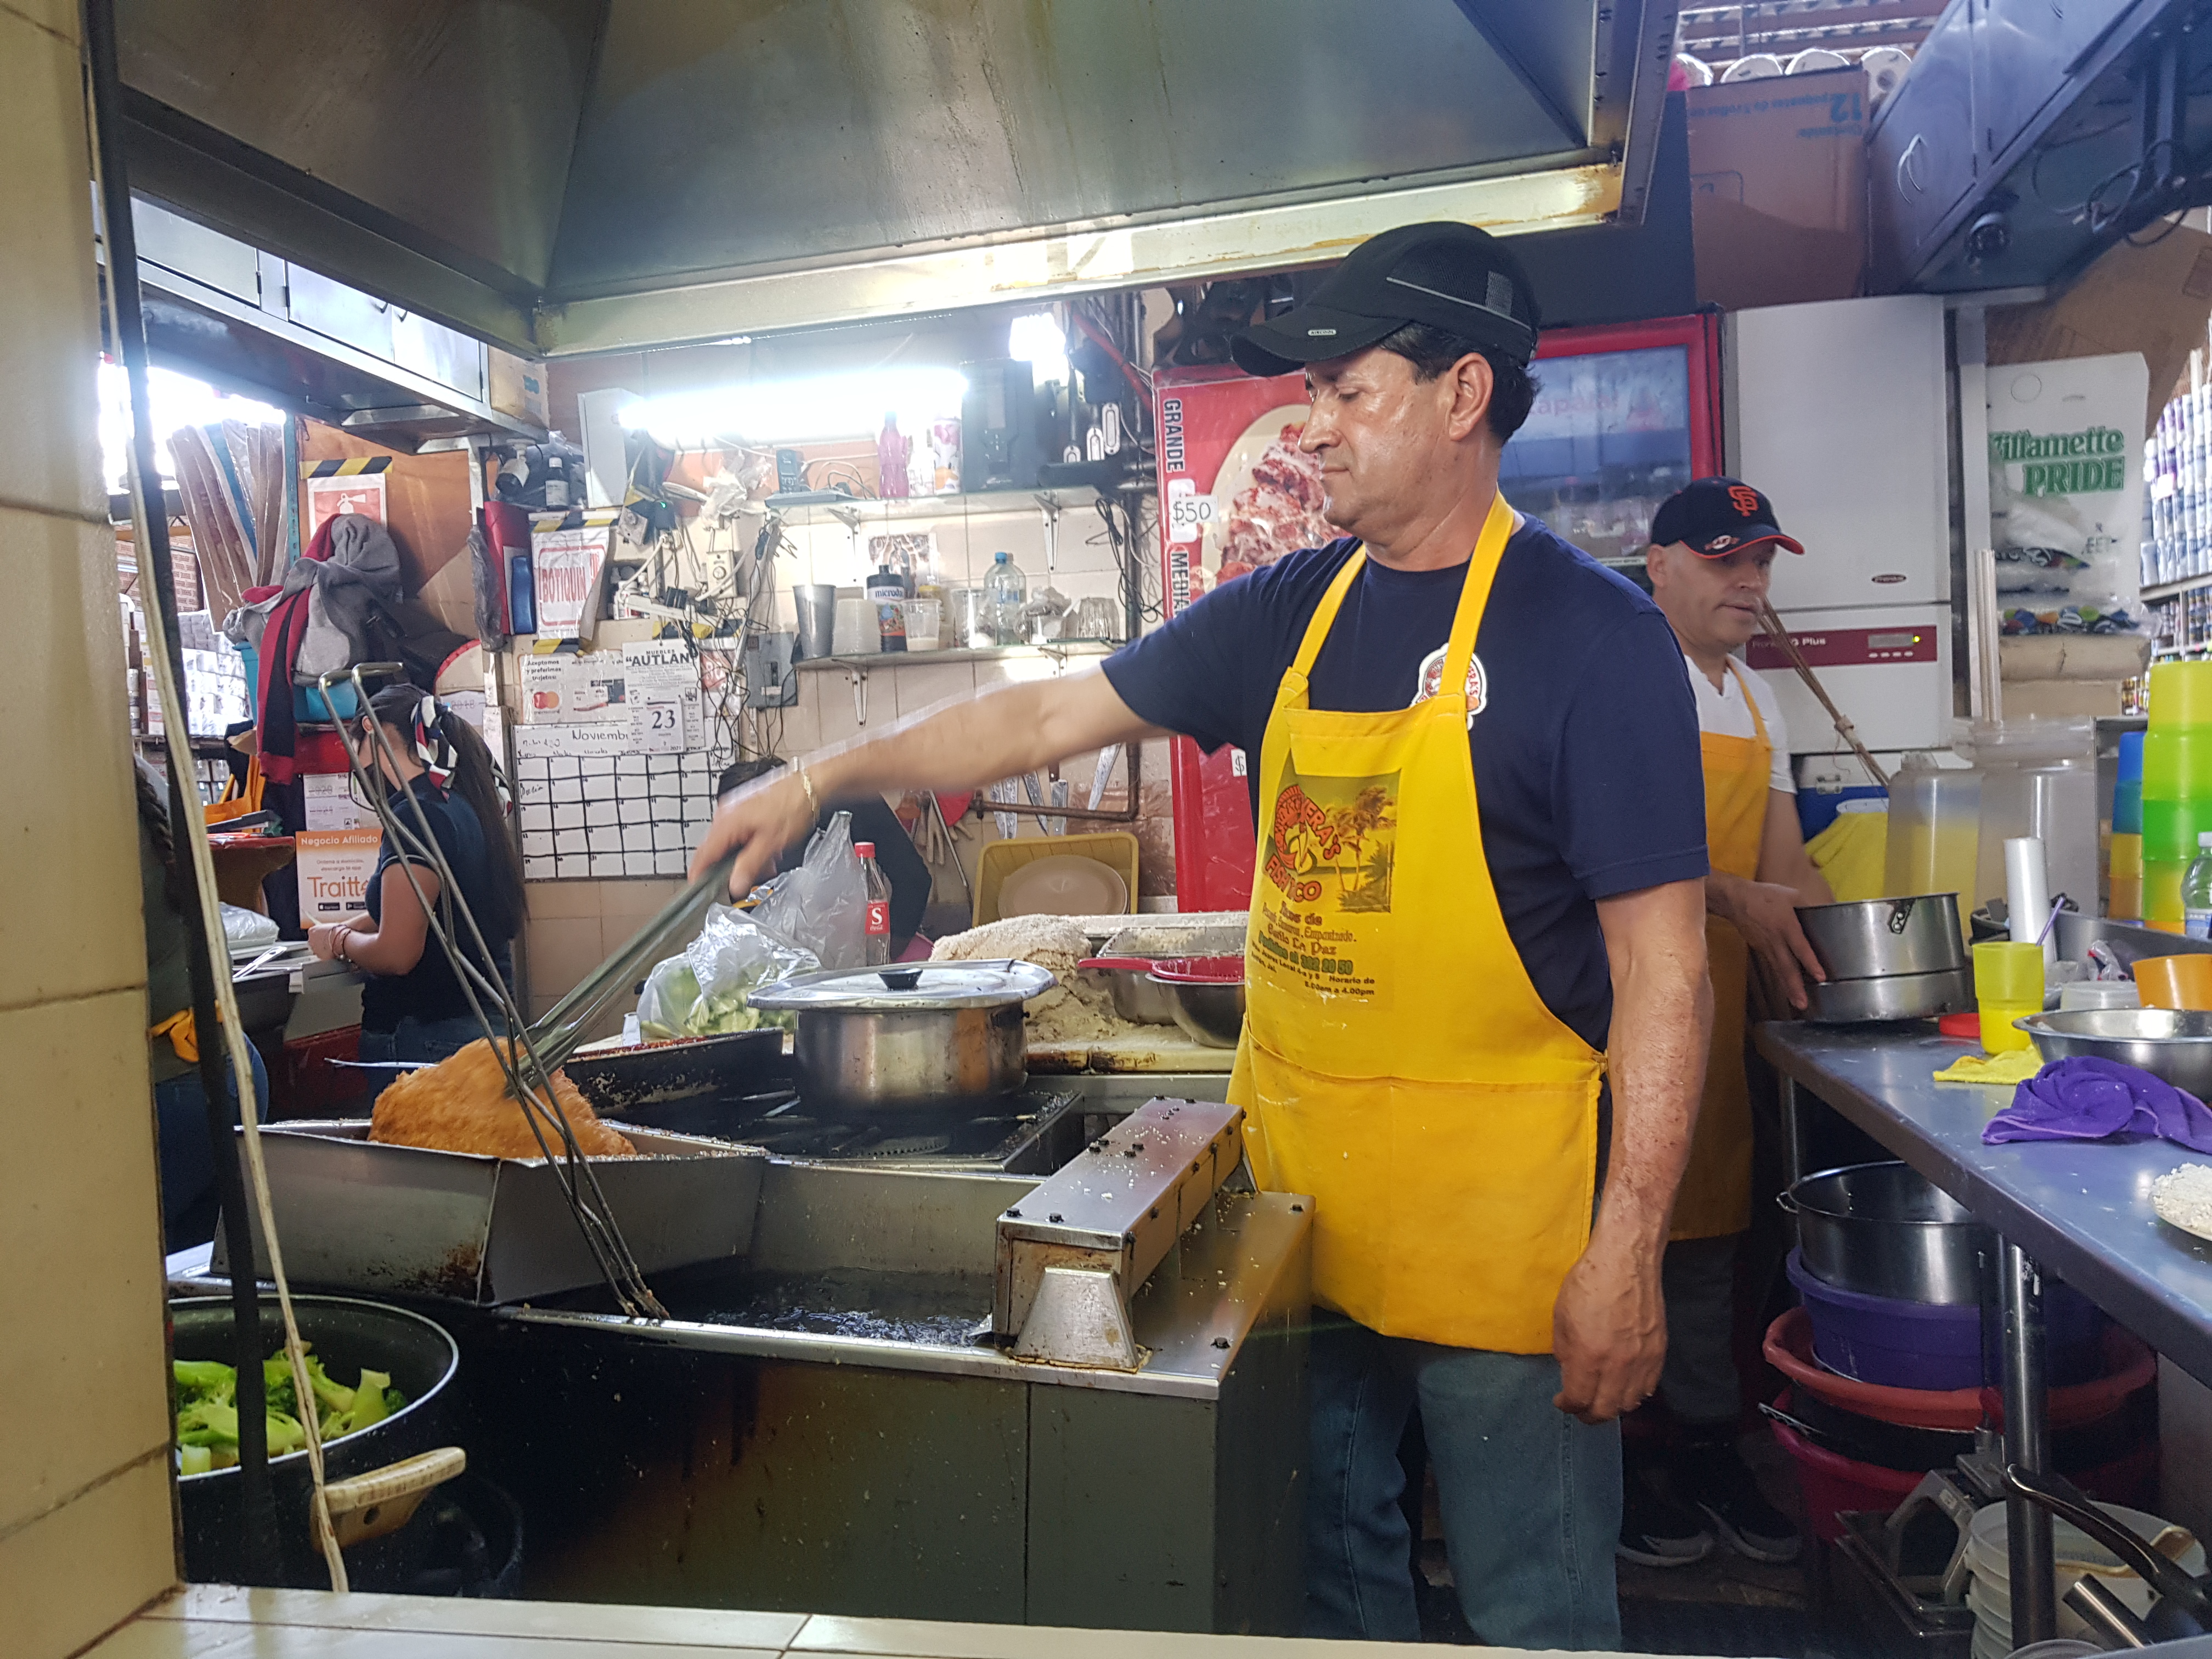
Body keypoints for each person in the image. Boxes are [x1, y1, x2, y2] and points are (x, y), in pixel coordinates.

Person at [693, 222, 1714, 1647]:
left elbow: (1668, 970)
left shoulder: (1594, 640)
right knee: (1328, 1586)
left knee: (1534, 1606)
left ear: (1464, 395)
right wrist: (819, 774)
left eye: (1349, 390)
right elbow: (1049, 713)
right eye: (1313, 393)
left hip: (1512, 1240)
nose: (1313, 424)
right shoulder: (1287, 614)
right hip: (1296, 1220)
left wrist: (1631, 1246)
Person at [1627, 478, 1835, 1569]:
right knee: (1620, 1232)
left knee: (1710, 1239)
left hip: (1721, 1009)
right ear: (1657, 563)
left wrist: (1844, 963)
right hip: (1619, 1009)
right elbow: (1588, 861)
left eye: (1760, 563)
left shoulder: (1762, 703)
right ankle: (1616, 1468)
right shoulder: (1619, 680)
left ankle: (1705, 1453)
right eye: (1725, 562)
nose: (1750, 584)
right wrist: (1736, 901)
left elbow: (1786, 872)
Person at [306, 684, 523, 1065]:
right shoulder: (464, 802)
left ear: (373, 734)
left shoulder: (415, 816)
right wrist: (345, 928)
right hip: (484, 1025)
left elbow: (398, 954)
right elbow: (426, 909)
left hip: (427, 1037)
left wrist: (340, 940)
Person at [137, 757, 269, 1251]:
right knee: (198, 1276)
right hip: (233, 1071)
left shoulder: (80, 801)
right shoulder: (151, 782)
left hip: (166, 1091)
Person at [717, 758, 935, 953]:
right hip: (788, 966)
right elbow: (745, 910)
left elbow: (914, 882)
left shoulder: (853, 800)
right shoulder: (742, 843)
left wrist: (881, 956)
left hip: (850, 959)